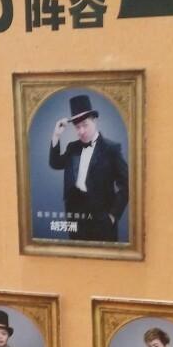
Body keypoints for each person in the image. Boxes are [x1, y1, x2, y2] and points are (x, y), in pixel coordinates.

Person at [48, 94, 128, 242]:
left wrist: (112, 215)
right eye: (77, 127)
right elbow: (55, 163)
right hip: (75, 215)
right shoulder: (72, 147)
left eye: (85, 125)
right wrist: (56, 136)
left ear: (94, 121)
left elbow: (127, 184)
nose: (81, 131)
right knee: (77, 254)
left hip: (102, 218)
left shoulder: (111, 149)